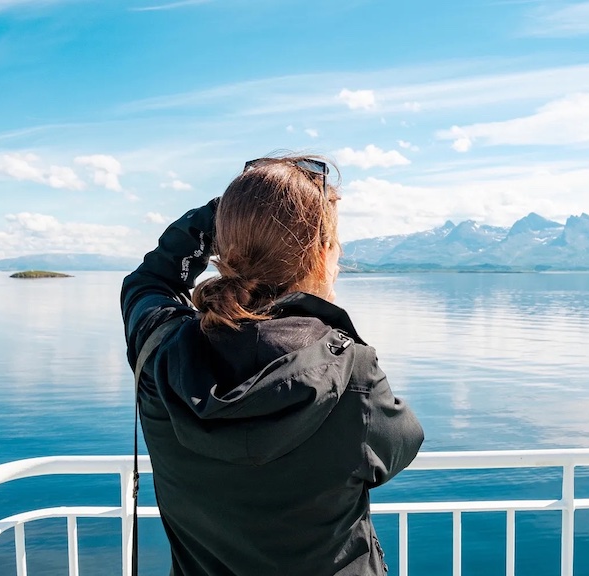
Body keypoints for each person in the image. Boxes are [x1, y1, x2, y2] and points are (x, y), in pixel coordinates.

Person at [121, 154, 424, 575]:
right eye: (335, 245)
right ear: (320, 254)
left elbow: (148, 281)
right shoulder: (352, 374)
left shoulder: (160, 353)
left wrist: (223, 213)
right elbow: (401, 445)